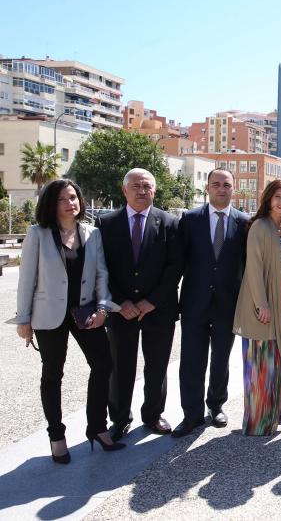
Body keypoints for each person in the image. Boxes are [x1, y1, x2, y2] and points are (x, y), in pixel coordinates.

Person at [16, 179, 124, 463]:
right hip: (48, 315)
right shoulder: (37, 234)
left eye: (74, 197)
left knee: (103, 364)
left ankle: (98, 428)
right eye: (63, 199)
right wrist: (24, 320)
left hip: (84, 313)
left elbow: (101, 274)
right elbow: (26, 280)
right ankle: (56, 435)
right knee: (53, 374)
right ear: (51, 203)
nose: (70, 203)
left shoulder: (92, 233)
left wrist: (103, 309)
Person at [97, 168, 182, 441]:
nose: (141, 190)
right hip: (121, 311)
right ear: (125, 190)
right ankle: (120, 419)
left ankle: (153, 414)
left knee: (157, 366)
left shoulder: (169, 223)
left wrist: (151, 300)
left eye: (147, 186)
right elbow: (101, 268)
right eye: (136, 186)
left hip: (159, 309)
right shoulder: (106, 223)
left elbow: (175, 266)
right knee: (120, 366)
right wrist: (120, 302)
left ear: (154, 190)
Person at [172, 169, 249, 438]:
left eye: (226, 184)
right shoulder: (190, 219)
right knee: (191, 360)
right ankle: (191, 414)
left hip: (228, 304)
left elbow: (248, 265)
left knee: (220, 359)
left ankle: (216, 405)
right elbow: (178, 262)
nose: (221, 188)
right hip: (194, 303)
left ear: (233, 188)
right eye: (216, 184)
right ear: (207, 187)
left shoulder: (244, 222)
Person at [233, 179, 281, 436]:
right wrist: (262, 305)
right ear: (268, 198)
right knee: (262, 361)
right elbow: (254, 269)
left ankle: (277, 410)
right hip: (265, 303)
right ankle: (259, 419)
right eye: (278, 197)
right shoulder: (259, 227)